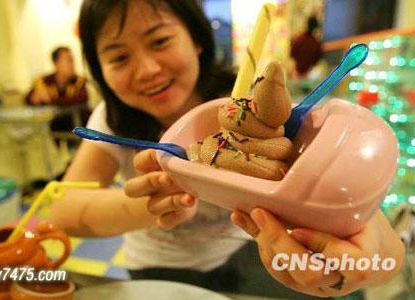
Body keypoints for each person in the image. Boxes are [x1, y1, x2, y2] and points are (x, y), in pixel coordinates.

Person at [50, 0, 404, 298]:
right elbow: (64, 211)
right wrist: (166, 194)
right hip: (158, 266)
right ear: (99, 70)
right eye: (118, 57)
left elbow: (381, 246)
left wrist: (373, 252)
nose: (147, 70)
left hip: (243, 251)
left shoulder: (251, 103)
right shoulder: (111, 120)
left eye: (158, 41)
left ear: (196, 39)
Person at [25, 46, 89, 133]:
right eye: (68, 60)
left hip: (78, 130)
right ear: (56, 63)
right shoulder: (44, 81)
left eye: (72, 60)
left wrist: (49, 100)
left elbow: (79, 100)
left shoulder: (79, 81)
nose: (72, 64)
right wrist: (35, 99)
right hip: (53, 130)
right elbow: (29, 98)